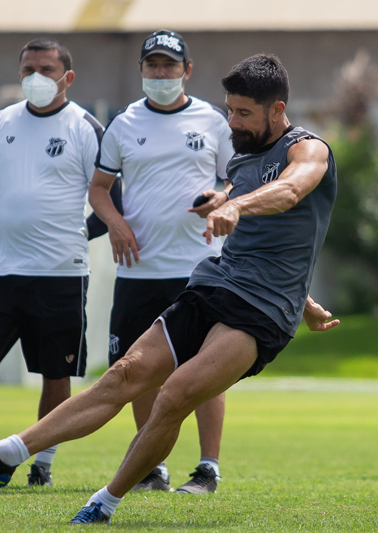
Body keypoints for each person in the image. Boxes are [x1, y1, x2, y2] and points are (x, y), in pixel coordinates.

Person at [0, 53, 340, 524]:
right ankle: (6, 455)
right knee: (123, 376)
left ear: (277, 110)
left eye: (243, 113)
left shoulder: (308, 150)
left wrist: (237, 206)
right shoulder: (242, 155)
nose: (232, 121)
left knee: (174, 393)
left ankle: (105, 501)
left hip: (261, 312)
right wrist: (304, 299)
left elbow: (290, 192)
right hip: (219, 284)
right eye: (229, 109)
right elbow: (269, 247)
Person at [0, 38, 104, 488]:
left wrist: (82, 233)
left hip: (62, 276)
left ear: (67, 78)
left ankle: (41, 464)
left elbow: (116, 199)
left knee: (55, 374)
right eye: (28, 69)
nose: (35, 77)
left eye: (46, 69)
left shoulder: (87, 127)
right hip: (0, 273)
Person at [86, 30, 234, 494]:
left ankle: (207, 467)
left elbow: (237, 180)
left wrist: (220, 197)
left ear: (187, 70)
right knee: (140, 369)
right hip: (139, 269)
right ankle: (153, 468)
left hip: (200, 267)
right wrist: (114, 222)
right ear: (141, 70)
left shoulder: (213, 121)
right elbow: (98, 190)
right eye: (152, 65)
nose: (161, 73)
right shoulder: (123, 125)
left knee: (208, 369)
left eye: (170, 65)